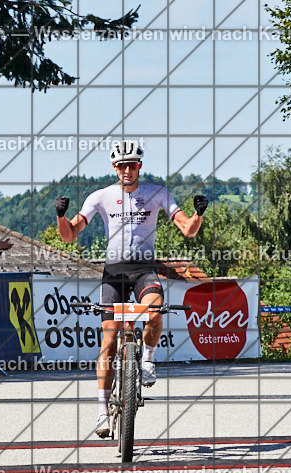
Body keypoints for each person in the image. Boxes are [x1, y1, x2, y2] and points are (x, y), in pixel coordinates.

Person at [54, 140, 207, 438]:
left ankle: (147, 361)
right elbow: (70, 236)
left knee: (155, 310)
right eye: (122, 165)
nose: (127, 170)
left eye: (132, 164)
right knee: (108, 343)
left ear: (140, 166)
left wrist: (198, 214)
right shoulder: (101, 196)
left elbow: (187, 229)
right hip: (113, 274)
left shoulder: (157, 193)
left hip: (143, 271)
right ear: (114, 167)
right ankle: (102, 413)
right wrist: (60, 217)